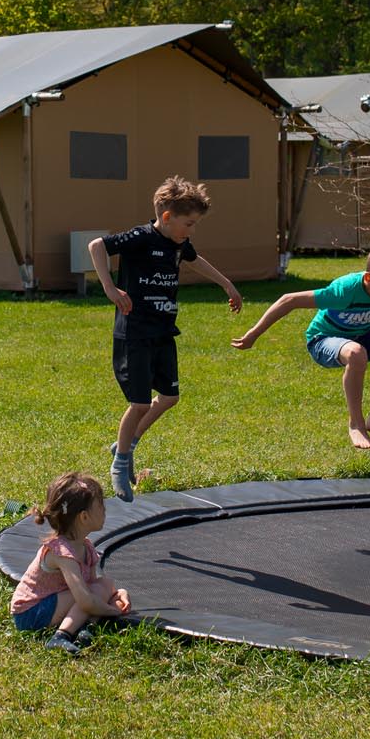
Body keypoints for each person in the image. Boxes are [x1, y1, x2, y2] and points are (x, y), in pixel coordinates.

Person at [90, 176, 243, 502]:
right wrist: (109, 287)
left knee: (169, 397)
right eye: (189, 223)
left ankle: (126, 446)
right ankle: (120, 464)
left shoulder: (178, 243)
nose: (192, 230)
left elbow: (194, 259)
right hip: (135, 332)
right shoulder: (141, 237)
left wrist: (226, 284)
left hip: (163, 331)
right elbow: (97, 246)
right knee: (140, 402)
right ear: (168, 216)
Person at [230, 243, 370, 449]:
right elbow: (288, 300)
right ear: (368, 278)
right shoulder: (343, 291)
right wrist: (253, 335)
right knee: (356, 353)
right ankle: (356, 424)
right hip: (322, 340)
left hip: (358, 336)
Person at [9, 472, 131, 655]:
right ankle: (61, 636)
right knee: (88, 596)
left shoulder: (85, 547)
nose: (105, 510)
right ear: (84, 517)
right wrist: (112, 610)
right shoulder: (62, 553)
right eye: (100, 505)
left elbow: (95, 585)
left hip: (56, 602)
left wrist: (117, 593)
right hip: (30, 612)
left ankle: (86, 628)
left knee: (105, 584)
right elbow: (85, 600)